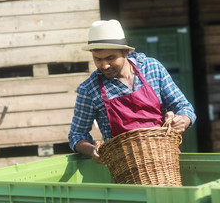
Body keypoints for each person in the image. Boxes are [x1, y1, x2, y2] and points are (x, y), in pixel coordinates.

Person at [68, 19, 196, 164]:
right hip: (124, 168)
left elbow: (184, 107)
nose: (104, 65)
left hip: (166, 161)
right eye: (97, 59)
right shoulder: (89, 89)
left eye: (110, 58)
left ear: (125, 52)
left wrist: (183, 120)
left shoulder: (152, 68)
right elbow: (76, 135)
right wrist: (93, 150)